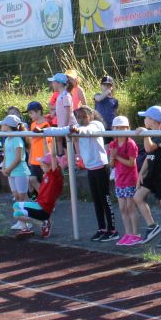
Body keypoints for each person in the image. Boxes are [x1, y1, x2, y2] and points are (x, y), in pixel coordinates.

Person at [70, 103, 116, 241]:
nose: (81, 119)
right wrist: (45, 131)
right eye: (78, 117)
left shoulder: (96, 125)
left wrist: (77, 130)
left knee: (105, 199)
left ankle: (112, 230)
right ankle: (101, 228)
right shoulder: (79, 126)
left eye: (84, 117)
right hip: (90, 168)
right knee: (96, 200)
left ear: (91, 116)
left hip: (101, 167)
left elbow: (88, 130)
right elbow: (67, 129)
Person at [135, 105, 161, 245]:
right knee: (137, 197)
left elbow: (149, 148)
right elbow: (149, 156)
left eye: (146, 118)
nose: (144, 120)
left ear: (153, 120)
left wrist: (145, 134)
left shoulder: (160, 133)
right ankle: (152, 225)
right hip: (151, 174)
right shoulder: (151, 134)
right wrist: (141, 172)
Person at [109, 117, 144, 244]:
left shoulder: (130, 144)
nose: (119, 130)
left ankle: (136, 234)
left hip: (130, 180)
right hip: (119, 180)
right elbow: (111, 164)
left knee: (130, 207)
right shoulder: (113, 144)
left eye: (122, 128)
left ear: (127, 128)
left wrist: (116, 156)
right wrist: (113, 157)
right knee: (123, 208)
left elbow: (131, 163)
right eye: (117, 128)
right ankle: (128, 233)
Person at [1, 114, 34, 230]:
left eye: (3, 125)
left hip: (20, 172)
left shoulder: (17, 139)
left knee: (21, 198)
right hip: (11, 172)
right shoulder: (7, 140)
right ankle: (22, 221)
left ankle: (27, 222)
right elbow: (6, 156)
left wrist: (8, 169)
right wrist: (4, 167)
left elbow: (18, 158)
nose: (1, 127)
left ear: (7, 126)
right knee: (17, 197)